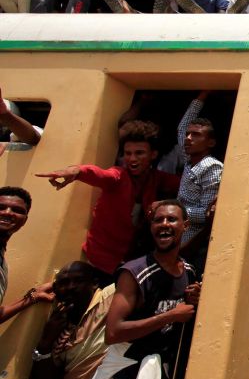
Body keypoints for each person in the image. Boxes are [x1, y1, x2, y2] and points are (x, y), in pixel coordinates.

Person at [62, 200, 200, 379]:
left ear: (185, 225)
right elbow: (113, 332)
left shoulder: (188, 271)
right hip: (123, 374)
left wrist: (194, 302)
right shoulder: (134, 272)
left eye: (171, 219)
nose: (164, 225)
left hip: (157, 376)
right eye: (158, 220)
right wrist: (169, 316)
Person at [35, 120, 180, 286]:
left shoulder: (156, 178)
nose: (132, 158)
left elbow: (183, 186)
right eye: (128, 153)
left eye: (139, 153)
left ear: (153, 155)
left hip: (131, 260)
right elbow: (100, 174)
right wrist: (76, 171)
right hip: (101, 261)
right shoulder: (118, 176)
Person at [0, 262, 114, 379]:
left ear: (94, 283)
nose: (70, 288)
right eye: (62, 283)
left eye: (77, 281)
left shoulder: (108, 300)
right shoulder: (60, 319)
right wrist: (46, 342)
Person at [0, 187, 54, 324]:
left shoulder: (2, 262)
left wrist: (33, 296)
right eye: (1, 207)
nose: (8, 213)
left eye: (17, 210)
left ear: (24, 220)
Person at [175, 94, 223, 246]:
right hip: (179, 237)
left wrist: (172, 210)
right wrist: (204, 93)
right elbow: (182, 128)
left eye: (195, 135)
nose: (188, 138)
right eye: (188, 134)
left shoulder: (212, 167)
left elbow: (206, 214)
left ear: (211, 143)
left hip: (192, 242)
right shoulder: (190, 159)